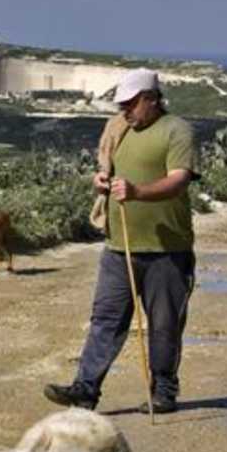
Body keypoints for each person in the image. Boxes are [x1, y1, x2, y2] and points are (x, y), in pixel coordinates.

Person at [45, 69, 198, 414]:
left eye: (130, 104)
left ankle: (164, 392)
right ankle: (85, 390)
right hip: (119, 246)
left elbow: (179, 180)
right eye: (121, 104)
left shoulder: (177, 130)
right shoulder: (118, 129)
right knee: (105, 319)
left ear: (151, 99)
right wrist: (101, 180)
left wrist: (137, 192)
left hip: (167, 251)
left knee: (165, 326)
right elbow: (108, 169)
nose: (124, 110)